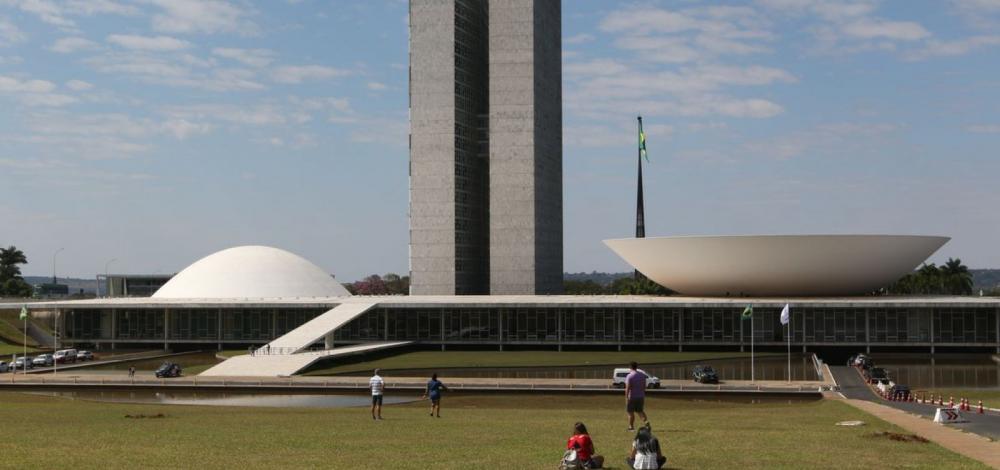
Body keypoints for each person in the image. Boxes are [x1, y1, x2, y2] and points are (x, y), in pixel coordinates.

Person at [625, 361, 648, 431]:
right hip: (641, 396)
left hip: (632, 397)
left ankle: (631, 427)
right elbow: (644, 386)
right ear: (636, 367)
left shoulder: (630, 376)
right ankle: (646, 423)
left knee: (630, 412)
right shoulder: (642, 375)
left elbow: (627, 388)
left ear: (630, 367)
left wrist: (626, 397)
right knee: (640, 411)